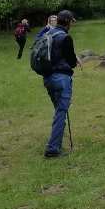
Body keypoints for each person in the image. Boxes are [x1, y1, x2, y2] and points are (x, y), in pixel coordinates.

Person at [42, 10, 78, 158]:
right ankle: (52, 149)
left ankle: (56, 142)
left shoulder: (48, 34)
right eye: (72, 22)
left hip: (48, 78)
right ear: (68, 21)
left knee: (59, 111)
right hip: (61, 78)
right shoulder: (65, 37)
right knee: (60, 112)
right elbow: (71, 62)